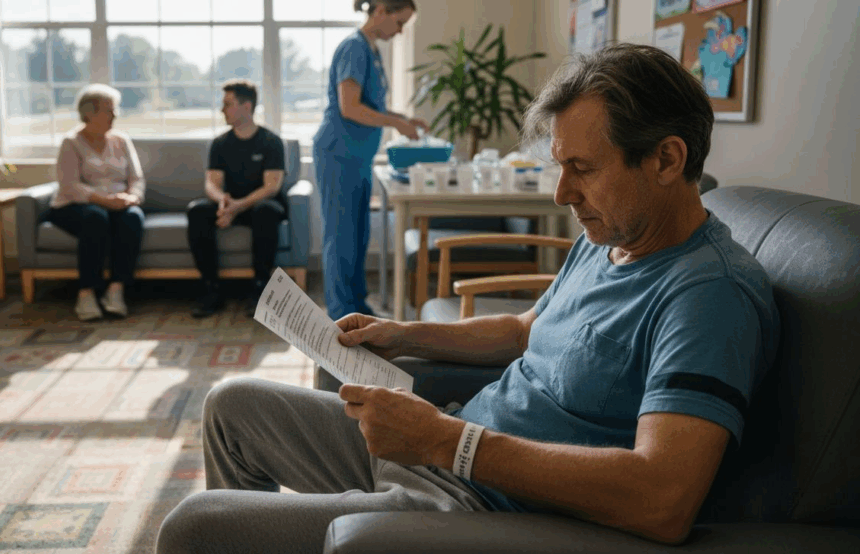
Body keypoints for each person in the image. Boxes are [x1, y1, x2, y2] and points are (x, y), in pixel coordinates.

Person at [155, 44, 780, 553]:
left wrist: (448, 444)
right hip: (449, 448)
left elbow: (663, 499)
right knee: (232, 405)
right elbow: (526, 331)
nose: (562, 194)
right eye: (560, 165)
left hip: (479, 505)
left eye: (583, 169)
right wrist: (401, 333)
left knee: (194, 528)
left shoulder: (708, 296)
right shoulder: (613, 234)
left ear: (667, 159)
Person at [313, 0, 429, 320]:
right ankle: (340, 316)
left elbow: (370, 105)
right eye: (399, 21)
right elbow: (350, 108)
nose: (401, 30)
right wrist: (396, 123)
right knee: (341, 235)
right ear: (380, 12)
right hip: (338, 153)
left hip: (357, 156)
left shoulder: (371, 49)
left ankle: (357, 307)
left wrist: (402, 119)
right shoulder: (354, 47)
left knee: (358, 235)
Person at [45, 84, 145, 321]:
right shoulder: (71, 142)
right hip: (75, 206)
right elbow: (69, 185)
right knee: (95, 218)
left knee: (133, 217)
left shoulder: (121, 140)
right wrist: (105, 201)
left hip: (118, 204)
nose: (115, 115)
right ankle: (87, 292)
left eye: (115, 110)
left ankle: (116, 290)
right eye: (109, 110)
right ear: (89, 113)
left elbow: (137, 178)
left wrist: (132, 198)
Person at [187, 80, 286, 318]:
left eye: (227, 104)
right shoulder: (220, 144)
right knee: (197, 210)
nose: (222, 110)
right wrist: (223, 202)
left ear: (246, 106)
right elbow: (211, 183)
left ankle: (261, 288)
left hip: (258, 207)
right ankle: (212, 288)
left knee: (267, 211)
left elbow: (271, 187)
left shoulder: (271, 142)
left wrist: (237, 207)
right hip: (230, 206)